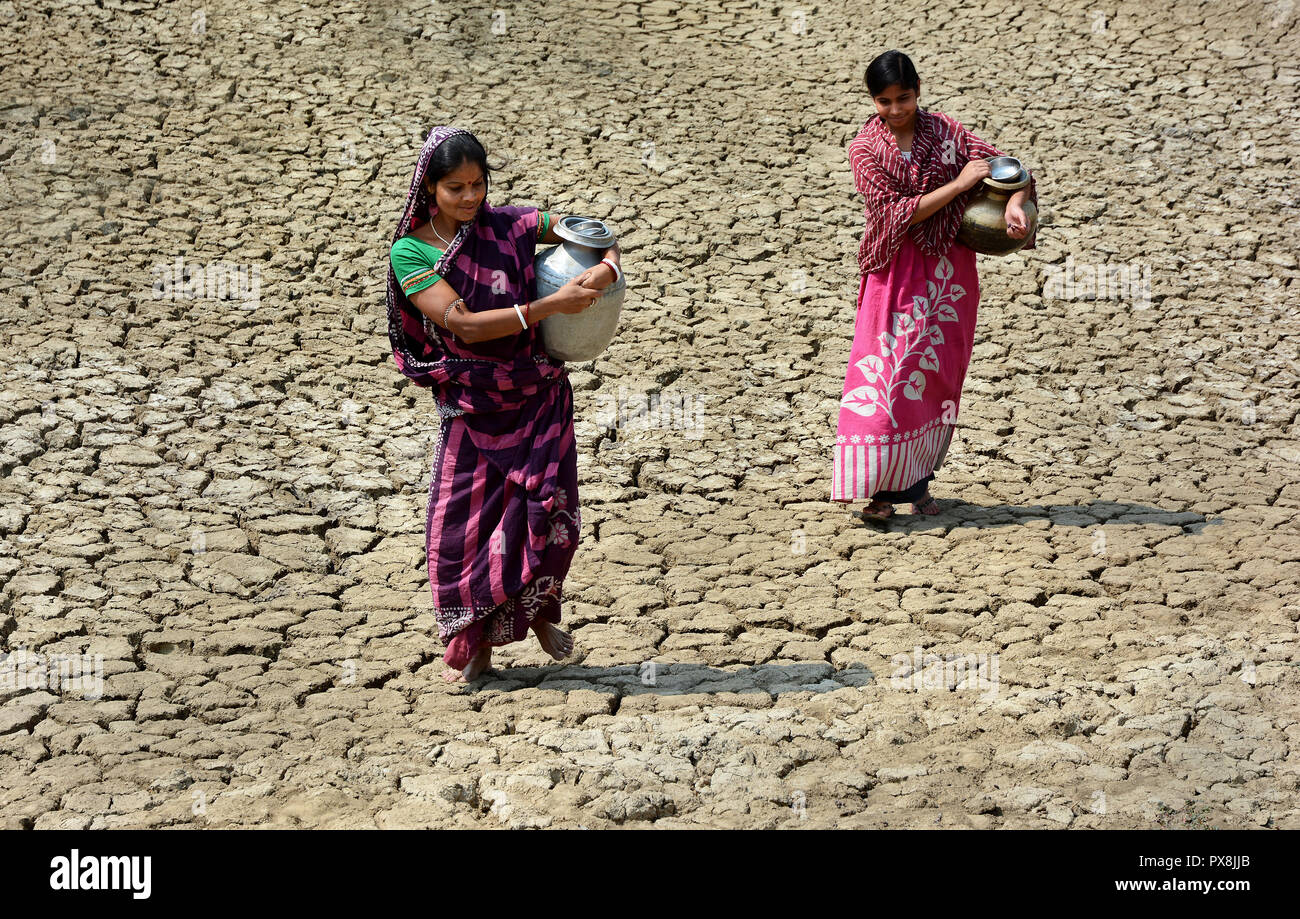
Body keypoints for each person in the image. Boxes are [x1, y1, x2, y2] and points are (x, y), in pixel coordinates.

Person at [385, 126, 622, 681]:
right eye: (455, 187)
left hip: (536, 394)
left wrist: (605, 268)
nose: (470, 197)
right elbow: (463, 322)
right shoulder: (412, 250)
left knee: (542, 512)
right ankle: (476, 647)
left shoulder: (512, 225)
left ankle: (535, 616)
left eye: (477, 183)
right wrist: (551, 307)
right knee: (463, 526)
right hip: (475, 402)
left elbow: (600, 233)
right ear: (429, 189)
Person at [833, 50, 1037, 523]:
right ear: (873, 101)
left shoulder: (947, 131)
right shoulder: (865, 149)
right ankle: (879, 494)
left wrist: (1015, 206)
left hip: (949, 274)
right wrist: (960, 183)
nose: (896, 108)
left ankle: (918, 484)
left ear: (918, 90)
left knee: (934, 377)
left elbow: (1013, 169)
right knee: (885, 377)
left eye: (903, 97)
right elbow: (895, 213)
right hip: (896, 271)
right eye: (884, 101)